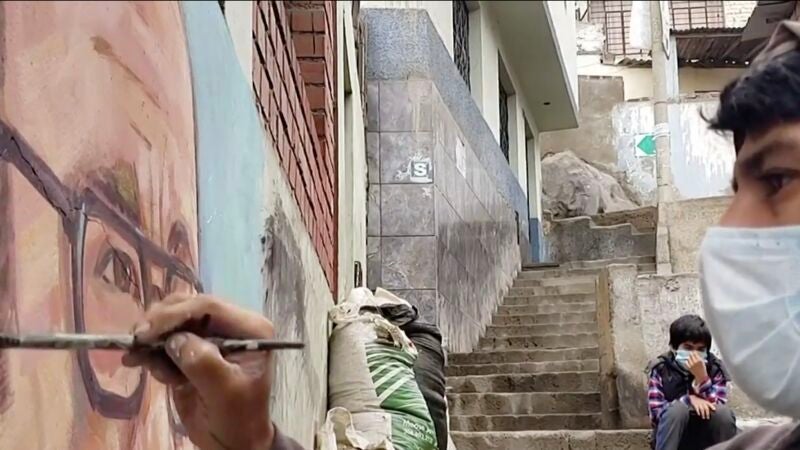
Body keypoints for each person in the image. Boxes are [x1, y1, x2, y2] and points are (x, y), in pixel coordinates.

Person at [646, 315, 737, 450]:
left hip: (706, 440)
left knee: (722, 413)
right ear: (674, 347)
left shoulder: (715, 368)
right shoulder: (660, 368)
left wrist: (702, 379)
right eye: (688, 348)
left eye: (700, 349)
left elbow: (720, 409)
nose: (694, 354)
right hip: (674, 439)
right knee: (677, 410)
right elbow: (656, 414)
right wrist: (688, 401)